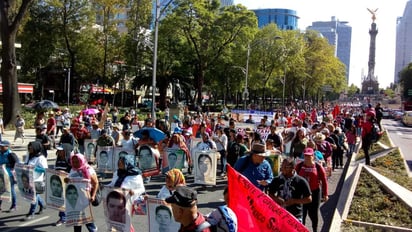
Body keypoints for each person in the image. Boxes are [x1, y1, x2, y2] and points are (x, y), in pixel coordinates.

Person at [268, 158, 312, 223]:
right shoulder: (276, 180)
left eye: (285, 167)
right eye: (282, 166)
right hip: (279, 214)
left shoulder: (301, 181)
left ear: (292, 168)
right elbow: (270, 194)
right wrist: (277, 199)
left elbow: (309, 199)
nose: (282, 169)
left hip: (295, 216)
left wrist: (294, 201)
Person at [107, 156, 145, 230]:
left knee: (125, 221)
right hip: (116, 201)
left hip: (128, 202)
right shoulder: (117, 173)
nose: (119, 163)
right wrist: (104, 186)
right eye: (119, 161)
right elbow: (112, 184)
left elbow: (141, 189)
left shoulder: (136, 176)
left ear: (128, 163)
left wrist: (133, 192)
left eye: (121, 162)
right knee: (117, 221)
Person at [295, 147, 329, 232]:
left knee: (313, 214)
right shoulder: (299, 166)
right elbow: (294, 179)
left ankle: (315, 229)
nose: (307, 158)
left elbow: (324, 181)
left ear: (313, 156)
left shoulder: (318, 167)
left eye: (309, 156)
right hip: (302, 194)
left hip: (315, 193)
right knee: (302, 214)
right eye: (306, 156)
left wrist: (325, 194)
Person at [65, 153, 98, 232]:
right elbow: (69, 180)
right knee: (76, 221)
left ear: (82, 161)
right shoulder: (72, 169)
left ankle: (93, 229)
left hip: (85, 199)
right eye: (73, 162)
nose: (75, 164)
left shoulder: (88, 169)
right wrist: (66, 180)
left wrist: (93, 196)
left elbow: (96, 183)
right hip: (74, 199)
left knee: (87, 220)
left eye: (77, 162)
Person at [24, 141, 48, 221]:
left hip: (36, 180)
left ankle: (31, 213)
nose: (29, 149)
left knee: (33, 197)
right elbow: (25, 163)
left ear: (35, 148)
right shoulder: (29, 155)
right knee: (35, 196)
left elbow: (45, 170)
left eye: (31, 147)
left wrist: (35, 168)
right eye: (29, 147)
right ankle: (42, 205)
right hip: (28, 179)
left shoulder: (41, 158)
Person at [54, 144, 73, 226]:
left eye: (61, 150)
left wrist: (65, 174)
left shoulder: (70, 160)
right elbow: (56, 169)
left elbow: (73, 172)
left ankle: (65, 217)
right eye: (59, 150)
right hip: (59, 183)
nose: (59, 152)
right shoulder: (58, 159)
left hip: (67, 183)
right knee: (61, 201)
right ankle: (63, 217)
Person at [0, 140, 18, 212]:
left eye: (2, 146)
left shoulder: (11, 154)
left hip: (9, 175)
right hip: (1, 174)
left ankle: (14, 205)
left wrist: (7, 166)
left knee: (11, 190)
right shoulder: (0, 153)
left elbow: (17, 164)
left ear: (7, 147)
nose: (1, 147)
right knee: (1, 190)